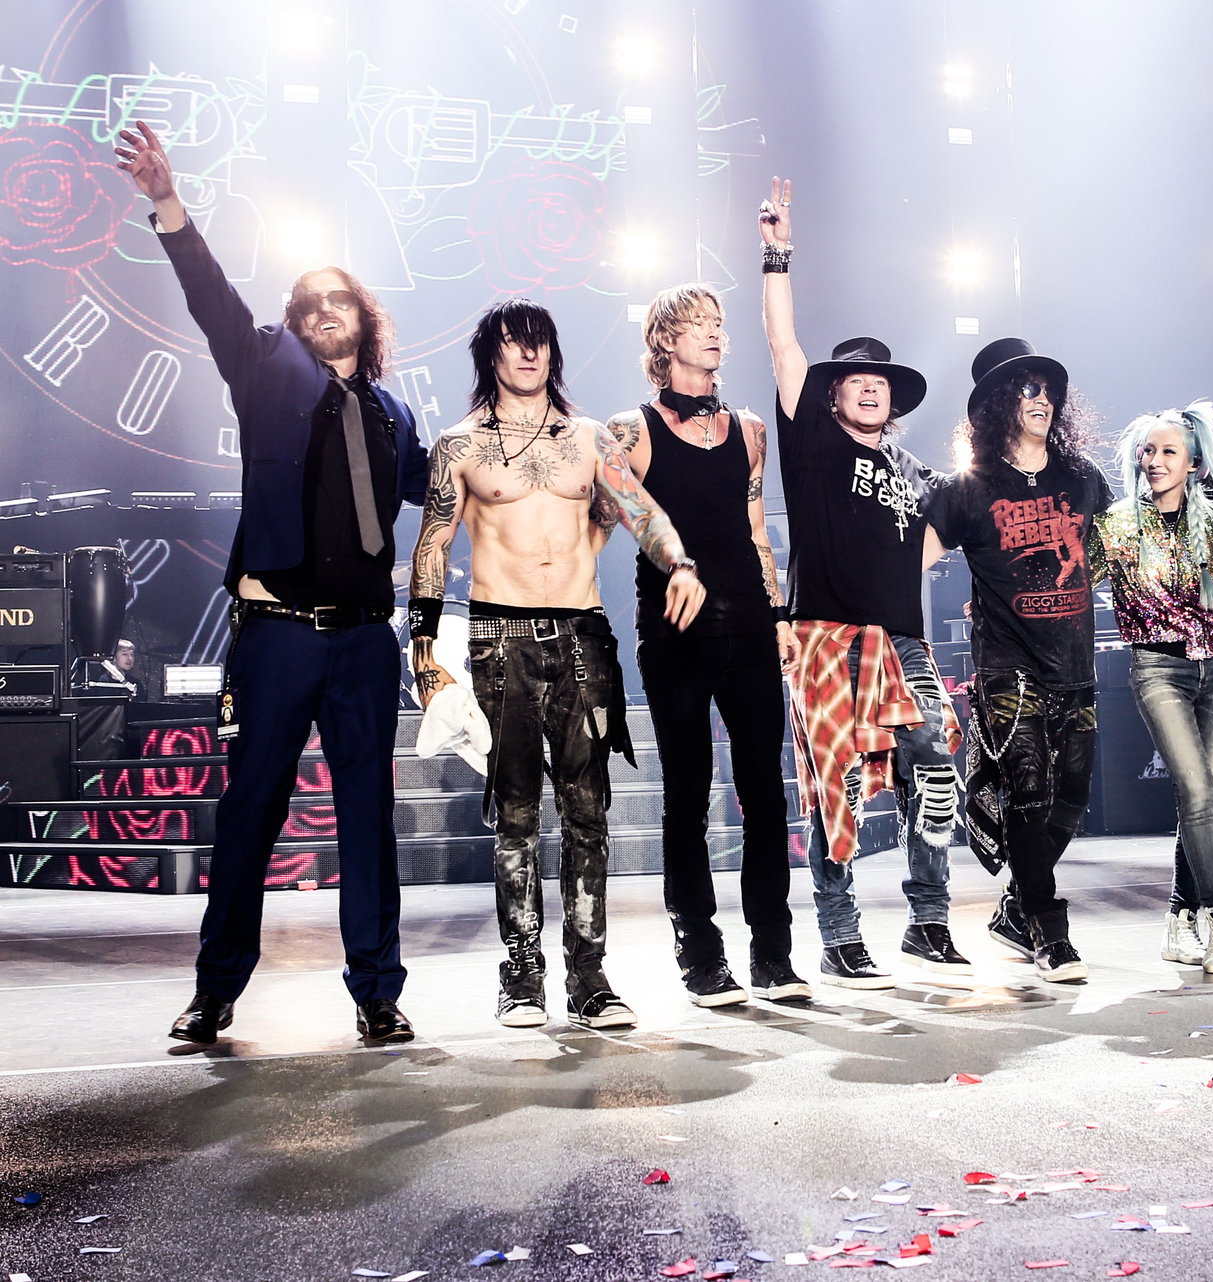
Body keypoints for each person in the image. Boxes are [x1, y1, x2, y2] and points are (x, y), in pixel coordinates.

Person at [115, 120, 429, 1046]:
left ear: (365, 317)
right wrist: (168, 204)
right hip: (281, 631)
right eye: (308, 301)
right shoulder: (264, 369)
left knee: (368, 817)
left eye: (340, 298)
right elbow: (209, 295)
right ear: (293, 321)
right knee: (251, 808)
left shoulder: (395, 415)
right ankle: (215, 991)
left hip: (365, 639)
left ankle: (377, 993)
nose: (324, 309)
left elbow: (449, 490)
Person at [407, 298, 706, 1030]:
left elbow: (640, 510)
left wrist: (680, 562)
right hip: (497, 638)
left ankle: (589, 977)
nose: (528, 353)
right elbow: (432, 543)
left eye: (539, 341)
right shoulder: (459, 445)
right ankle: (520, 975)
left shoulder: (589, 438)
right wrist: (422, 649)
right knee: (514, 815)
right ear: (492, 354)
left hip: (581, 636)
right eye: (514, 342)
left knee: (587, 813)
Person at [760, 177, 967, 988]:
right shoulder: (813, 443)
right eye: (855, 379)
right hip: (824, 637)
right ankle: (840, 934)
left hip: (901, 642)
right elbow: (784, 349)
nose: (871, 385)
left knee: (935, 764)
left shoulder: (917, 471)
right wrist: (778, 254)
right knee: (836, 788)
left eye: (880, 380)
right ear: (833, 395)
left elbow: (956, 528)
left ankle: (929, 921)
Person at [605, 285, 810, 1007]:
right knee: (688, 793)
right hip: (675, 628)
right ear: (665, 340)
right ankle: (699, 953)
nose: (714, 333)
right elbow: (622, 518)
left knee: (764, 792)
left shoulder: (749, 429)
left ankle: (773, 952)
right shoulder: (630, 430)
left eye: (719, 323)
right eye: (698, 323)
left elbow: (756, 530)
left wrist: (779, 614)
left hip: (749, 621)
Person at [926, 339, 1110, 982]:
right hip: (1008, 666)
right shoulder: (969, 488)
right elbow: (910, 562)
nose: (1043, 400)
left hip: (1074, 664)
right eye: (1028, 389)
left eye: (1048, 389)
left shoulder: (1083, 478)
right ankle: (1049, 931)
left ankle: (1014, 908)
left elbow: (1110, 553)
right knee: (1029, 793)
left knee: (1073, 797)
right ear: (1000, 403)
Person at [1092, 402, 1213, 975]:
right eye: (1148, 451)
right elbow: (1067, 586)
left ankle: (1179, 916)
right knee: (1196, 791)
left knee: (1202, 799)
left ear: (1193, 464)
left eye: (1168, 451)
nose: (1155, 460)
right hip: (1159, 668)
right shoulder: (1116, 525)